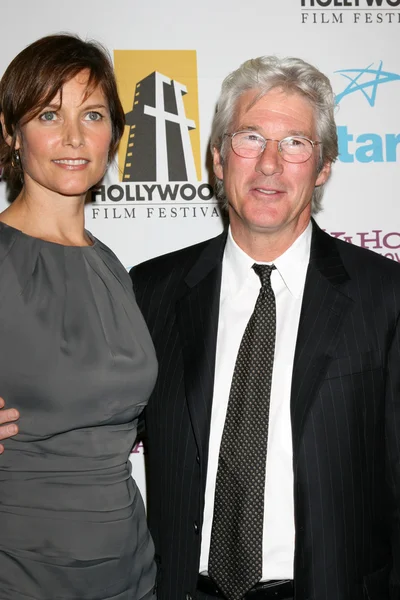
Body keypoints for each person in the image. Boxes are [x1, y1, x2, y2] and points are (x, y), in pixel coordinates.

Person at [3, 56, 400, 600]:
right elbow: (86, 411)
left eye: (296, 144)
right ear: (217, 159)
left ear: (324, 166)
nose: (269, 165)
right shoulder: (150, 289)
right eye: (250, 139)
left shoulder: (386, 297)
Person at [0, 34, 157, 600]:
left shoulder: (110, 265)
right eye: (48, 114)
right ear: (11, 133)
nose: (72, 137)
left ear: (113, 133)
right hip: (21, 572)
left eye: (91, 115)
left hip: (131, 569)